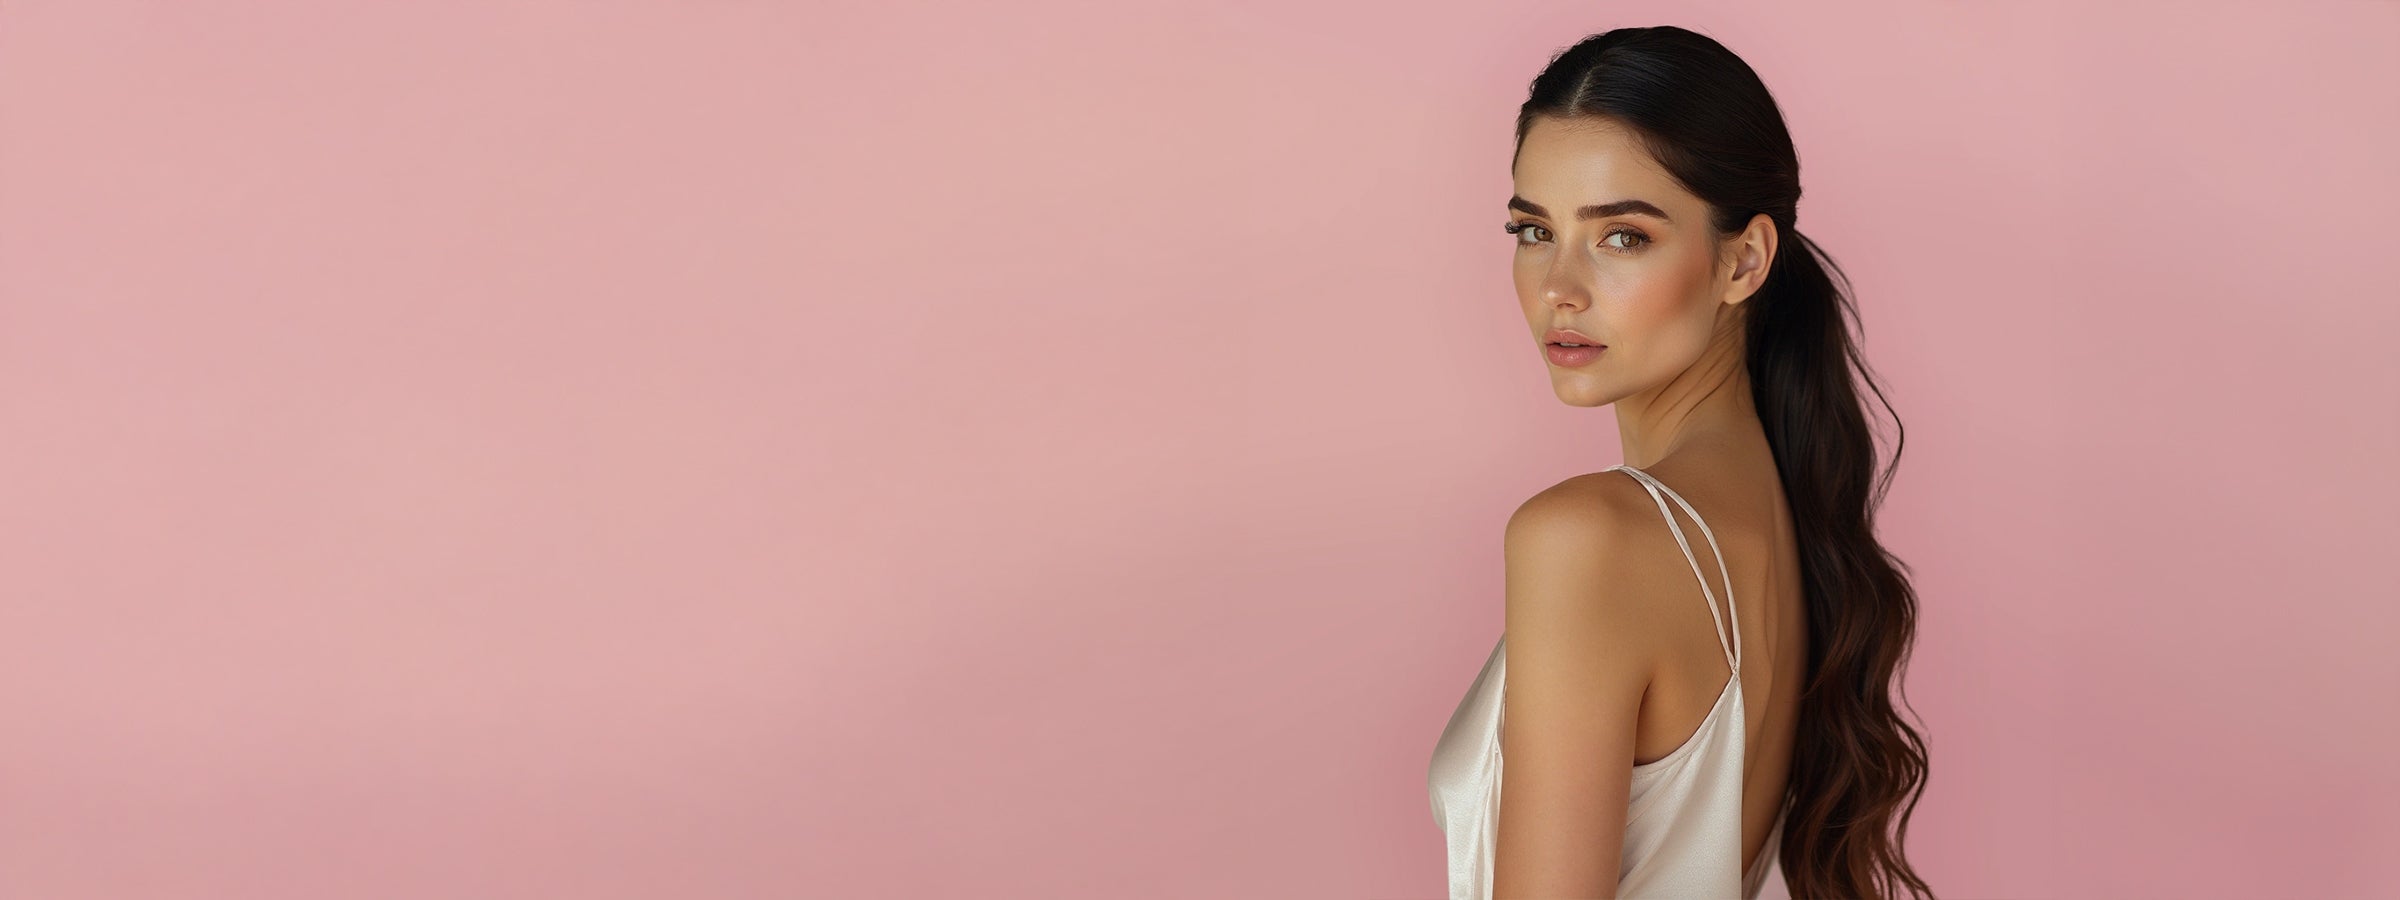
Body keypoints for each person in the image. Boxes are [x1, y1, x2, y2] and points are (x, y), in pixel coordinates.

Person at [1427, 25, 1936, 900]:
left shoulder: (1587, 538)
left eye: (1622, 237)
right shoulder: (1784, 522)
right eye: (1533, 229)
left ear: (1744, 261)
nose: (1558, 287)